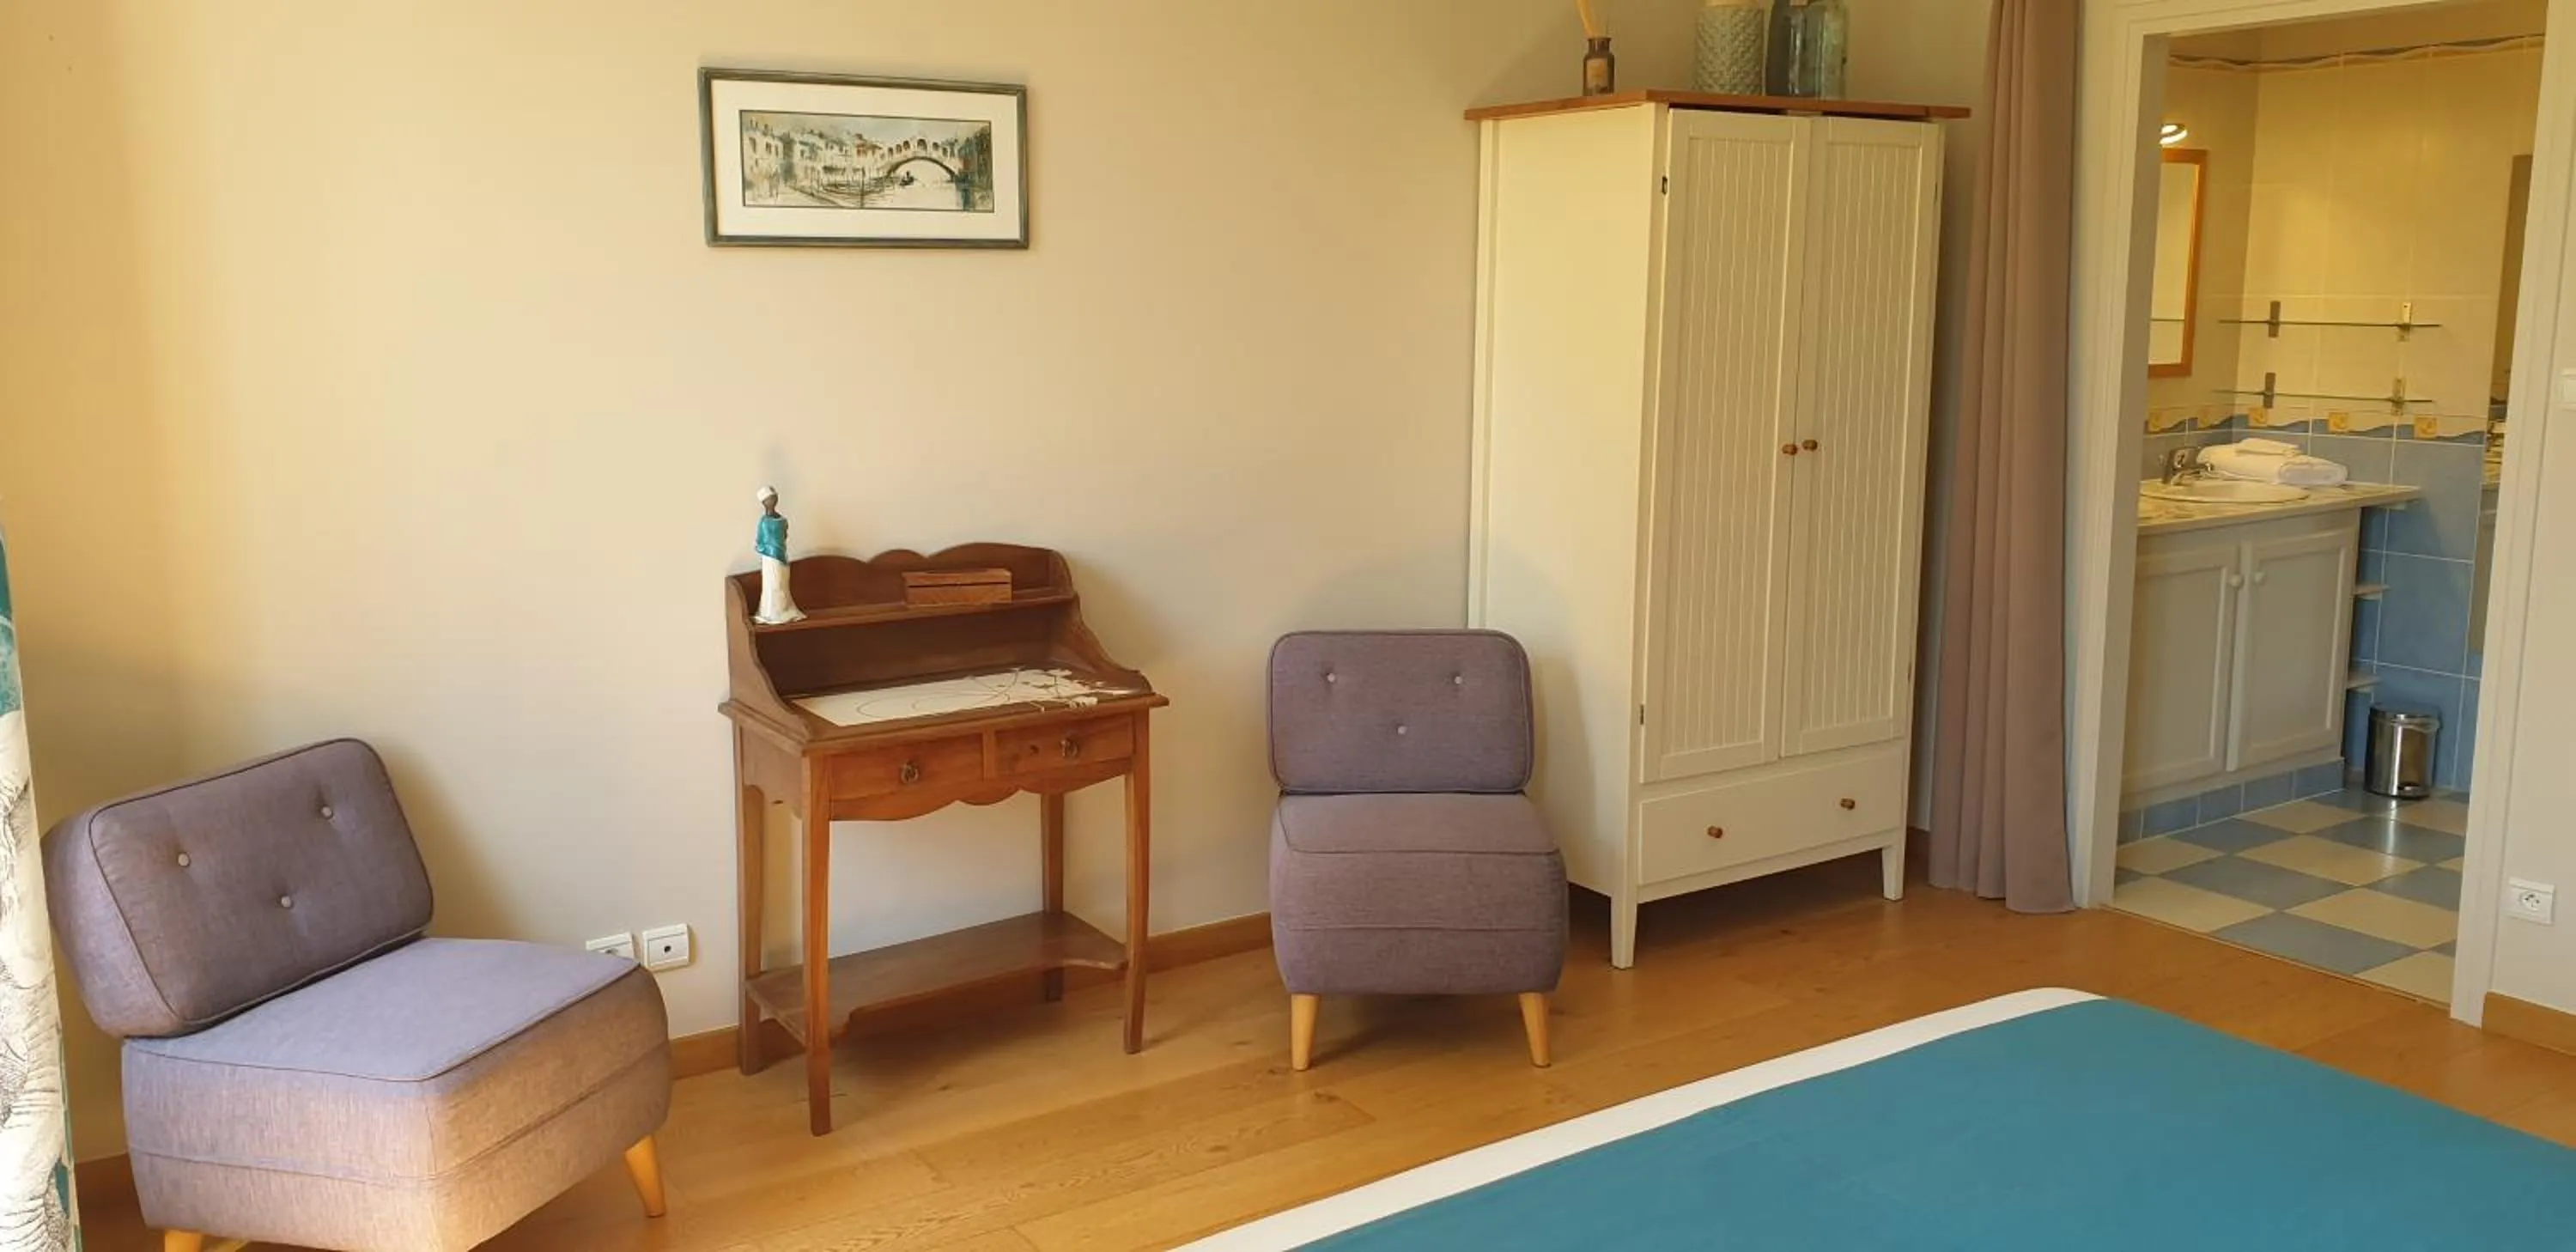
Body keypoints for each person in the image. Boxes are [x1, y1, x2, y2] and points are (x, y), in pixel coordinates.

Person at [753, 486, 805, 625]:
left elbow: (784, 536)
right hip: (770, 557)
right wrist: (765, 548)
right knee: (772, 583)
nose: (773, 500)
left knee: (781, 583)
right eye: (769, 499)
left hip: (781, 554)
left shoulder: (783, 520)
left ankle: (784, 609)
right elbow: (760, 539)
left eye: (774, 497)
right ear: (764, 503)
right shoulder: (764, 521)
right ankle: (770, 612)